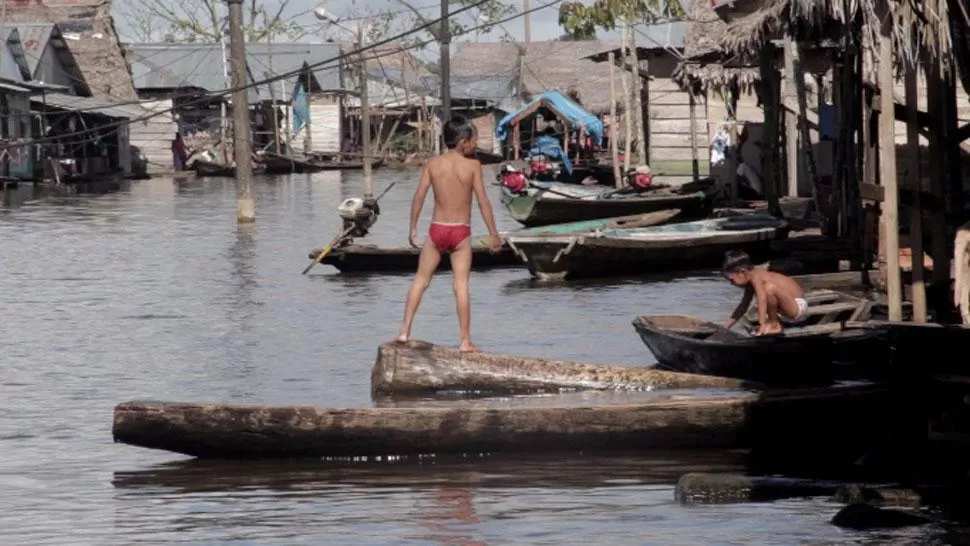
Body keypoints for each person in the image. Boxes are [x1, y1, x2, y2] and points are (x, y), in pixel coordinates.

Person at [395, 115, 502, 352]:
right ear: (463, 141)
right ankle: (465, 341)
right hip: (460, 232)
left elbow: (419, 196)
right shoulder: (473, 166)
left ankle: (404, 331)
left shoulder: (433, 163)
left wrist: (413, 228)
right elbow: (483, 201)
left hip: (437, 229)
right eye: (473, 141)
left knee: (421, 280)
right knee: (461, 285)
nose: (475, 146)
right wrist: (493, 233)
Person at [721, 249, 808, 336]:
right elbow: (743, 306)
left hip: (798, 307)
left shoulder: (756, 276)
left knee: (769, 289)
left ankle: (775, 325)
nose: (731, 284)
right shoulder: (750, 281)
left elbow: (761, 299)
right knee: (766, 292)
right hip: (789, 309)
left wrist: (762, 324)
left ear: (742, 272)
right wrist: (725, 328)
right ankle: (774, 324)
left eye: (732, 280)